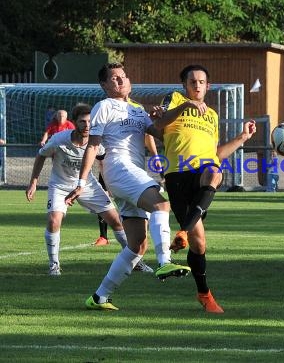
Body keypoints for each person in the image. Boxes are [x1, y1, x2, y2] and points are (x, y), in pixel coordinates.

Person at [65, 63, 190, 311]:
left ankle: (99, 297)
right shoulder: (104, 106)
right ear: (104, 86)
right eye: (114, 78)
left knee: (137, 245)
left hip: (133, 172)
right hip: (119, 168)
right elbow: (92, 145)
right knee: (161, 204)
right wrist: (81, 182)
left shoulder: (138, 111)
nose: (120, 81)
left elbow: (162, 134)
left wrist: (167, 114)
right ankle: (164, 261)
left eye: (123, 77)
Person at [152, 64, 257, 313]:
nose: (197, 85)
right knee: (199, 246)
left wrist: (242, 138)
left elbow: (216, 154)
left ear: (207, 86)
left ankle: (183, 233)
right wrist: (186, 106)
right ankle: (204, 293)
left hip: (202, 172)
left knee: (214, 171)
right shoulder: (175, 100)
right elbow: (159, 124)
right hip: (177, 174)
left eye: (201, 82)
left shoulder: (211, 115)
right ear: (184, 85)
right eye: (192, 81)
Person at [25, 103, 153, 276]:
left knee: (115, 220)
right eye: (82, 122)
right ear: (74, 123)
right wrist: (33, 181)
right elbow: (41, 155)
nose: (87, 126)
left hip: (87, 185)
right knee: (54, 220)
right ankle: (54, 265)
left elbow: (103, 162)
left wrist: (109, 185)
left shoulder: (97, 144)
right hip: (60, 185)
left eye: (90, 122)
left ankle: (136, 262)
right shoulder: (59, 139)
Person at [93, 134, 164, 246]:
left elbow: (149, 133)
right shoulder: (105, 120)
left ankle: (155, 259)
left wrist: (155, 156)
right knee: (161, 206)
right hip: (113, 168)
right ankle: (103, 236)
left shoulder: (139, 117)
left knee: (138, 244)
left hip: (133, 169)